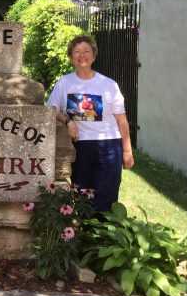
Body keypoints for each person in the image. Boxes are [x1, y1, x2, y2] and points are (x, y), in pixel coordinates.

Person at [46, 35, 134, 211]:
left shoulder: (109, 85)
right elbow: (51, 109)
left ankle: (105, 228)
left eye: (86, 51)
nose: (82, 55)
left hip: (109, 146)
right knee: (82, 197)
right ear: (71, 57)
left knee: (107, 197)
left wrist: (127, 151)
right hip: (80, 146)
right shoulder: (64, 83)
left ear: (94, 56)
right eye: (77, 52)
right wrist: (68, 121)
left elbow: (121, 120)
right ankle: (84, 228)